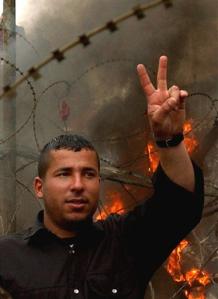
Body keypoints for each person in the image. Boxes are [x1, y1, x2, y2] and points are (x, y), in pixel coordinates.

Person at [0, 56, 204, 299]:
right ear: (39, 187)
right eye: (64, 174)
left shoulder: (125, 242)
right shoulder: (7, 257)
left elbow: (180, 205)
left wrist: (169, 139)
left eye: (88, 174)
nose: (77, 185)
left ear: (99, 182)